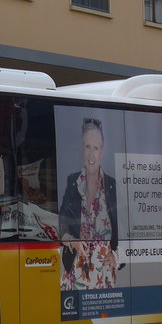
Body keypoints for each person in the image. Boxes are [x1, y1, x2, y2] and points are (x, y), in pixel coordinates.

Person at [59, 117, 119, 290]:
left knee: (106, 317)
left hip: (104, 277)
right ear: (82, 149)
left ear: (102, 151)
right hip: (74, 275)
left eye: (96, 148)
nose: (91, 154)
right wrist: (72, 241)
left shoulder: (112, 186)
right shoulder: (72, 182)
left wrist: (117, 255)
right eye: (87, 147)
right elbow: (61, 222)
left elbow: (127, 230)